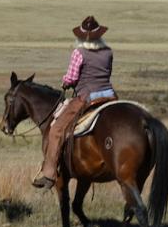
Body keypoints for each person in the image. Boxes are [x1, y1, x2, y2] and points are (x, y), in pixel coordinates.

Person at [32, 15, 116, 189]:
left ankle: (49, 174)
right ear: (99, 35)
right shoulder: (108, 51)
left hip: (87, 97)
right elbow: (107, 73)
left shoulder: (79, 53)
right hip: (110, 96)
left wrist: (66, 82)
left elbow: (71, 78)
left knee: (55, 130)